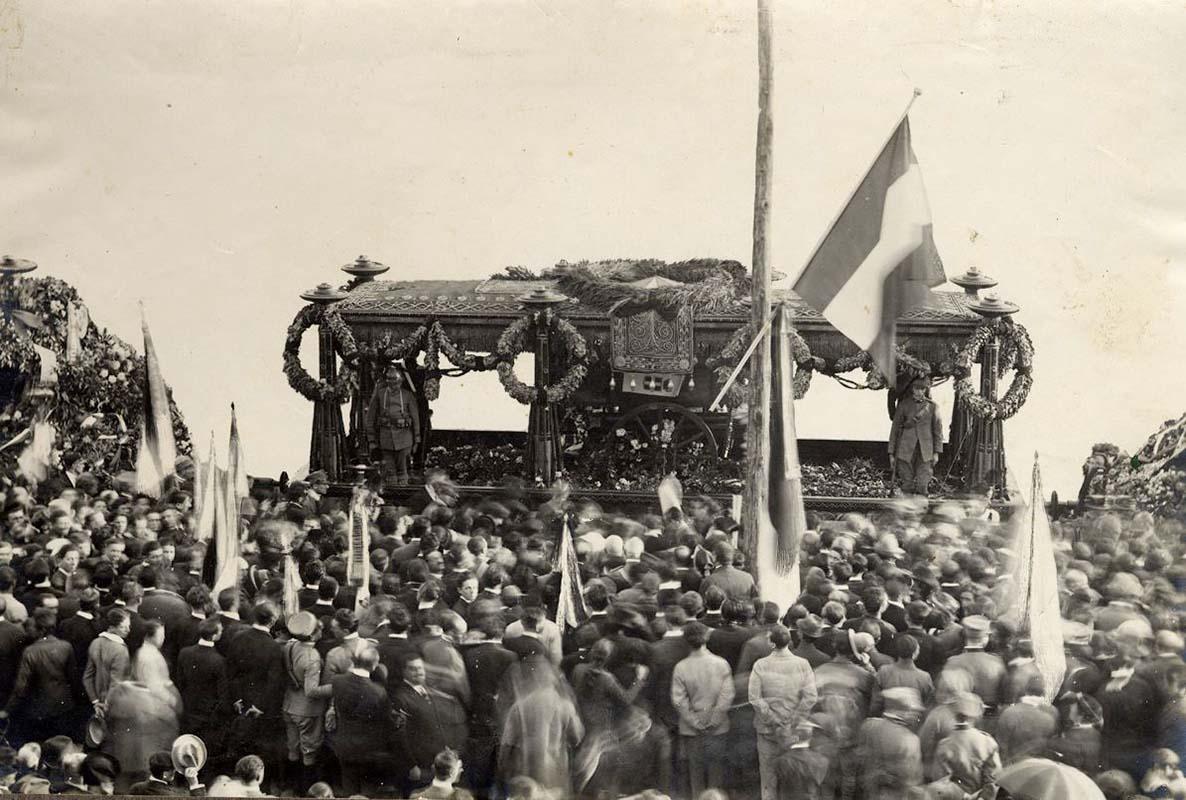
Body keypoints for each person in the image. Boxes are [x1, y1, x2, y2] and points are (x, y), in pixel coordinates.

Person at [749, 623, 817, 800]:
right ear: (789, 641)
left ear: (771, 643)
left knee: (768, 778)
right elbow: (810, 696)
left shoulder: (760, 665)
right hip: (794, 733)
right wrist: (791, 720)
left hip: (767, 731)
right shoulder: (802, 664)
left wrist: (773, 719)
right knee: (794, 782)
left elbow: (754, 698)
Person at [671, 620, 734, 798]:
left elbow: (678, 701)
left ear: (686, 641)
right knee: (716, 772)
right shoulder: (721, 664)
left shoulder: (681, 667)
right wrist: (714, 720)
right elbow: (727, 695)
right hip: (718, 728)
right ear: (706, 638)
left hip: (692, 730)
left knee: (695, 774)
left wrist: (694, 722)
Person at [366, 362, 422, 487]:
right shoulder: (380, 395)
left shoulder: (408, 396)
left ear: (401, 381)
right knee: (389, 475)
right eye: (390, 381)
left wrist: (417, 440)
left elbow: (415, 419)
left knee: (403, 474)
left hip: (405, 441)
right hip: (385, 440)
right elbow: (370, 418)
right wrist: (371, 441)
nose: (393, 385)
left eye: (396, 381)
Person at [888, 377, 944, 496]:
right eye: (916, 388)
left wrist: (936, 452)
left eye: (922, 389)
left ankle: (921, 509)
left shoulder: (932, 407)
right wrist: (891, 453)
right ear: (912, 389)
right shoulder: (904, 405)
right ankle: (908, 511)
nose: (919, 392)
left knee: (923, 484)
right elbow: (895, 429)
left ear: (925, 390)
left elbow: (938, 432)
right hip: (905, 449)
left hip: (926, 451)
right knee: (906, 484)